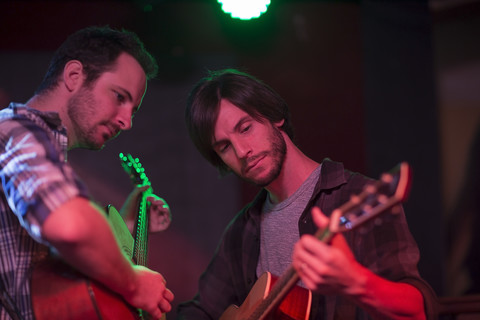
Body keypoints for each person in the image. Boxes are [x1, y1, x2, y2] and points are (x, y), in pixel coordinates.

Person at [177, 69, 436, 319]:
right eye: (224, 147)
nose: (242, 151)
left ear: (274, 116)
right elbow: (198, 311)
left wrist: (354, 281)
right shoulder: (242, 230)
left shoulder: (357, 196)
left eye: (245, 128)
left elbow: (418, 312)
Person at [0, 26, 174, 320]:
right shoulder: (18, 129)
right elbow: (70, 225)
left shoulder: (39, 145)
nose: (126, 121)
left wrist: (129, 220)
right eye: (120, 97)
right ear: (74, 76)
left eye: (134, 109)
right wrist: (133, 284)